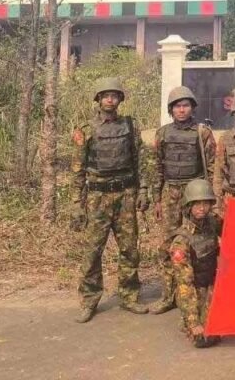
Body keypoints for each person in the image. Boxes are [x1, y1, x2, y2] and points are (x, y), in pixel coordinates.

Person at [70, 77, 148, 323]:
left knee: (129, 249)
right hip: (97, 197)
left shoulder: (130, 126)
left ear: (120, 99)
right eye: (105, 96)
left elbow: (140, 161)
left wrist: (143, 190)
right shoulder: (86, 129)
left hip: (126, 195)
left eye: (114, 96)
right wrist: (76, 203)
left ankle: (129, 296)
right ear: (98, 99)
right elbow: (77, 170)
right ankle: (89, 300)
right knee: (93, 251)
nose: (110, 100)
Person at [149, 86, 216, 315]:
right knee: (168, 245)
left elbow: (212, 167)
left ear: (192, 108)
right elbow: (157, 168)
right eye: (177, 106)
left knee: (199, 246)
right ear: (171, 110)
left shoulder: (202, 133)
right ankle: (169, 296)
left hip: (194, 195)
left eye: (185, 105)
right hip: (170, 195)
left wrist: (210, 200)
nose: (181, 110)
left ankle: (195, 292)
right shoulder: (162, 134)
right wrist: (157, 199)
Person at [169, 178, 223, 348]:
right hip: (196, 290)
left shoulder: (212, 222)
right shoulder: (181, 241)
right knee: (204, 339)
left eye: (205, 203)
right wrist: (193, 323)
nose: (202, 208)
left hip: (213, 285)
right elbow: (184, 285)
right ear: (189, 206)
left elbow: (233, 229)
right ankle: (189, 319)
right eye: (197, 203)